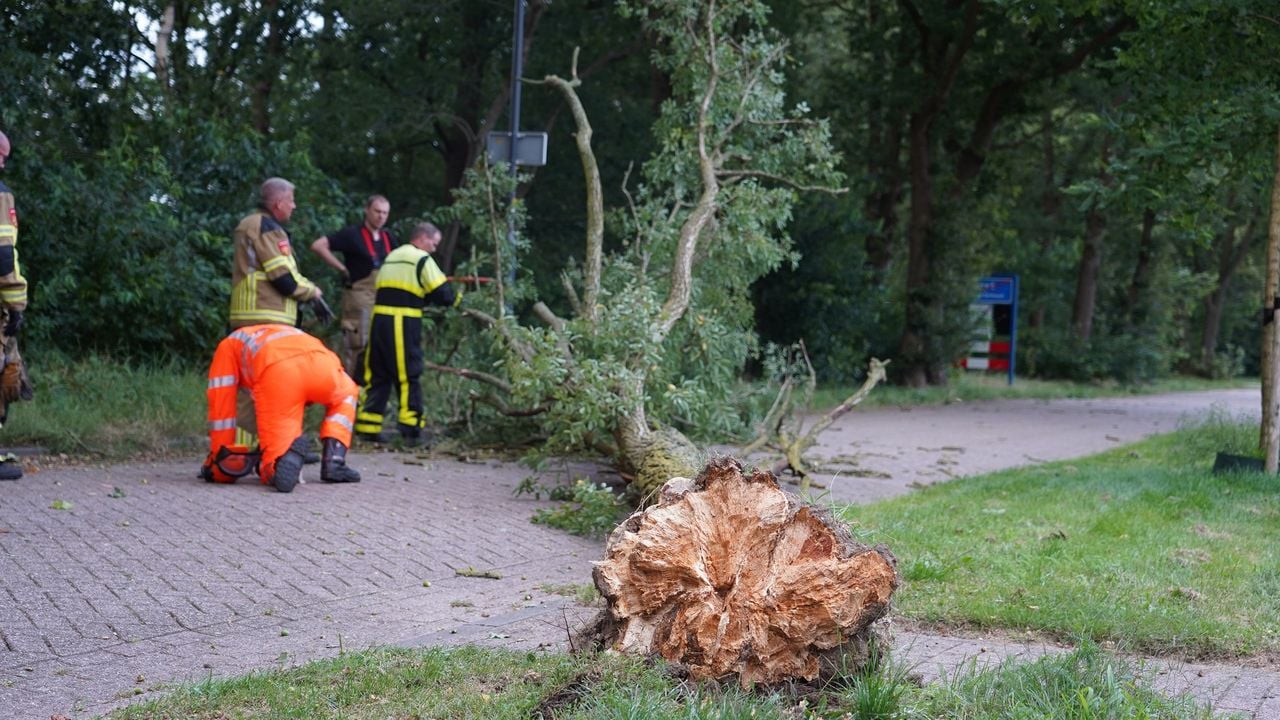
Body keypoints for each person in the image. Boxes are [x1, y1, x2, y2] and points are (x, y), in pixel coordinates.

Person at [202, 324, 361, 492]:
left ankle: (277, 463)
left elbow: (222, 407)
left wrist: (219, 465)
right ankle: (334, 461)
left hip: (280, 371)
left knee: (275, 461)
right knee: (347, 394)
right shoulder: (279, 332)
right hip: (324, 363)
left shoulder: (228, 345)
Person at [355, 222, 458, 446]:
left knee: (378, 374)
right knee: (408, 374)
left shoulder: (392, 256)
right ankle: (411, 430)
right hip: (402, 321)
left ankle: (367, 426)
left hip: (378, 322)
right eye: (434, 243)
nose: (434, 248)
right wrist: (457, 300)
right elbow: (442, 293)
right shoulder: (421, 259)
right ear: (422, 238)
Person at [309, 195, 396, 379]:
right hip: (358, 300)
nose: (381, 216)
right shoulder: (352, 234)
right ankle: (350, 393)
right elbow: (318, 246)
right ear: (367, 210)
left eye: (385, 213)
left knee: (381, 346)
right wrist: (341, 268)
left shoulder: (388, 238)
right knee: (357, 345)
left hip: (381, 300)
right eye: (377, 211)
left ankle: (372, 394)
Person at [229, 177, 324, 329]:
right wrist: (312, 293)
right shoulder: (267, 228)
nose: (294, 206)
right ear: (279, 204)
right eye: (291, 200)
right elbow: (282, 278)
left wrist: (310, 289)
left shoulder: (250, 224)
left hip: (249, 318)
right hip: (266, 318)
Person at [0, 130, 31, 481]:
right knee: (5, 373)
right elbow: (4, 255)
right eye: (1, 155)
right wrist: (16, 305)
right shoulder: (1, 195)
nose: (3, 162)